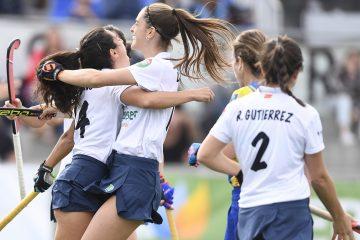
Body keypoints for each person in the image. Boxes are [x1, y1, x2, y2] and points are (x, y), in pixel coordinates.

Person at [37, 3, 234, 240]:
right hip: (122, 170)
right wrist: (58, 109)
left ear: (151, 32)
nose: (131, 29)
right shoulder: (146, 70)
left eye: (137, 24)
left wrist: (58, 74)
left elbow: (102, 80)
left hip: (135, 172)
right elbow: (132, 99)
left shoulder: (157, 65)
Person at [196, 35, 355, 240]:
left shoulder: (237, 107)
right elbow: (318, 178)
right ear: (297, 73)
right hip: (291, 212)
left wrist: (244, 173)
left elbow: (205, 154)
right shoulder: (305, 113)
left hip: (250, 210)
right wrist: (339, 215)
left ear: (262, 66)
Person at [187, 29, 267, 240]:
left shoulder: (242, 97)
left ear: (240, 62)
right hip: (277, 197)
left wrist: (200, 148)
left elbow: (224, 151)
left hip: (246, 197)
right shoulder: (281, 95)